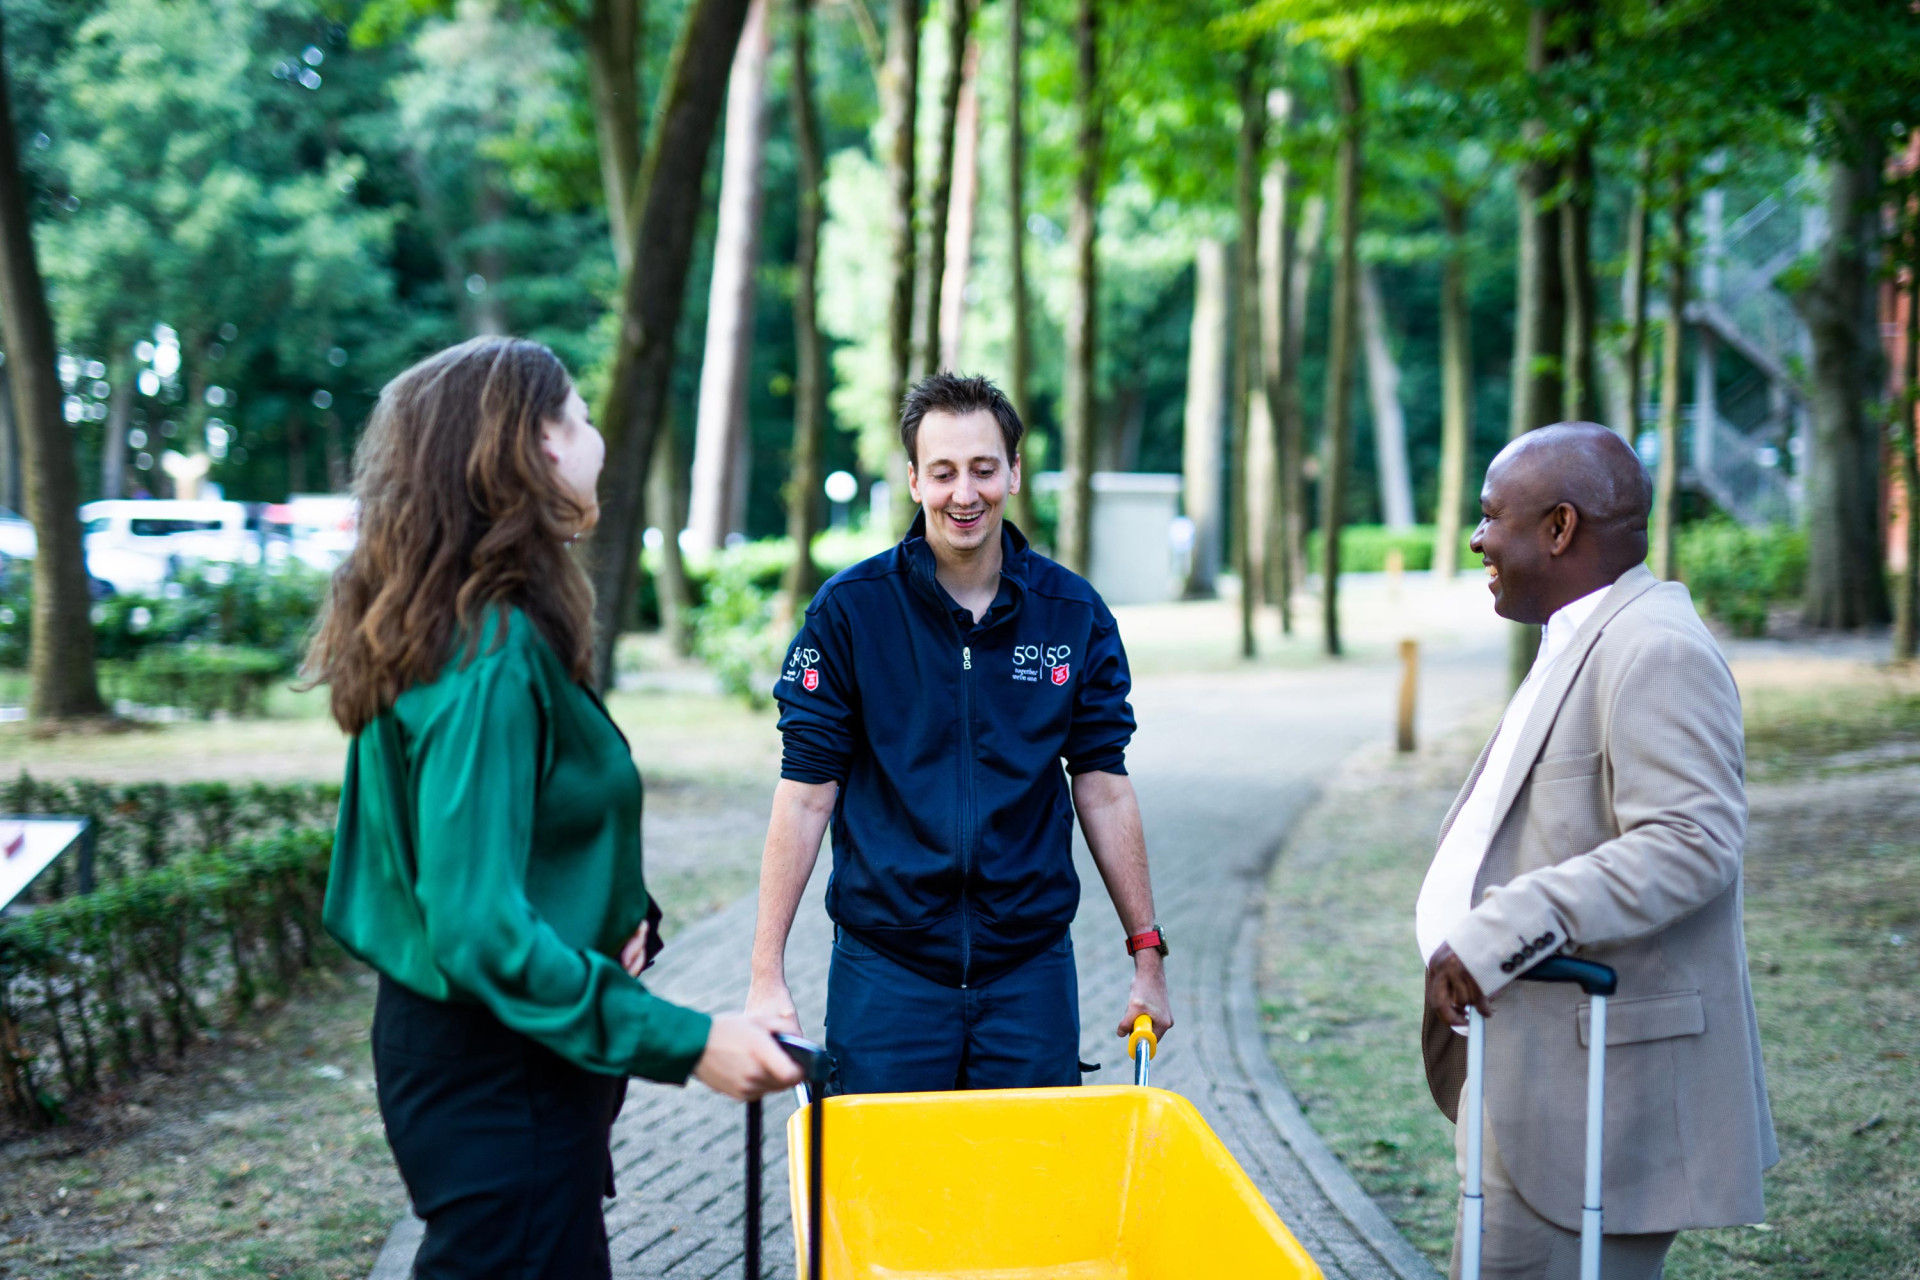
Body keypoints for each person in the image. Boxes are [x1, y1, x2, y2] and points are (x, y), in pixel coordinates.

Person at [307, 337, 801, 1280]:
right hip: (500, 1074)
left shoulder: (454, 626)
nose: (599, 438)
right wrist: (691, 1043)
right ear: (527, 449)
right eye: (576, 416)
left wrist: (612, 922)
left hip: (496, 1055)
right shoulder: (486, 653)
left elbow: (472, 863)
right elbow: (476, 927)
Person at [744, 372, 1173, 1094]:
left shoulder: (1073, 614)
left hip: (1029, 975)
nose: (964, 494)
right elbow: (806, 796)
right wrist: (765, 977)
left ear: (1013, 471)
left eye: (982, 469)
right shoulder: (849, 613)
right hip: (885, 975)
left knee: (1026, 1200)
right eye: (943, 472)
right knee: (885, 1201)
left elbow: (1102, 785)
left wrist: (1148, 957)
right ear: (915, 480)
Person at [1418, 421, 1777, 1279]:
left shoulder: (1656, 648)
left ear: (1560, 528)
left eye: (1491, 516)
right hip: (1526, 1070)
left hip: (1591, 1090)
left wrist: (1505, 928)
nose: (1476, 538)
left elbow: (1692, 842)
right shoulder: (1582, 632)